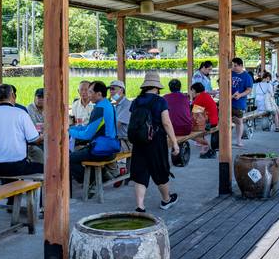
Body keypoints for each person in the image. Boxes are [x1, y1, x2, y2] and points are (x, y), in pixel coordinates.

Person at [128, 71, 180, 212]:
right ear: (157, 87)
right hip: (156, 141)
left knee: (140, 173)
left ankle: (140, 205)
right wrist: (174, 142)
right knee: (160, 170)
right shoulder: (160, 101)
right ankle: (166, 200)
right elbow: (167, 123)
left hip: (139, 142)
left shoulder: (136, 101)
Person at [0, 84, 43, 177]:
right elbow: (34, 139)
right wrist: (43, 136)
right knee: (44, 167)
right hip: (17, 166)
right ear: (13, 96)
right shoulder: (21, 113)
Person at [68, 81, 120, 185]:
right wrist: (75, 129)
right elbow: (90, 128)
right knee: (78, 153)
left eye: (90, 92)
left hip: (101, 150)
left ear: (99, 94)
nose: (88, 94)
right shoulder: (108, 104)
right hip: (112, 147)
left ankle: (94, 180)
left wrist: (69, 131)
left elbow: (87, 135)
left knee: (68, 159)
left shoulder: (99, 108)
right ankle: (101, 175)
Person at [229, 57, 253, 147]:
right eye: (232, 66)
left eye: (235, 66)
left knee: (239, 121)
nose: (233, 67)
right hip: (228, 101)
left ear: (241, 66)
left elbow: (249, 90)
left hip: (239, 103)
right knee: (226, 121)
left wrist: (240, 95)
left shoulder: (247, 76)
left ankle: (239, 140)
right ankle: (226, 140)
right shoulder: (229, 73)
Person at [190, 81, 218, 158]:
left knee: (190, 134)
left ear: (195, 91)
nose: (191, 92)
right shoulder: (205, 95)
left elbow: (194, 115)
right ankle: (205, 147)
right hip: (213, 121)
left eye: (192, 90)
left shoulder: (199, 98)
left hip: (209, 123)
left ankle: (207, 147)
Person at [25, 87, 46, 164]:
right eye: (39, 97)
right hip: (32, 142)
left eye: (43, 97)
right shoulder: (29, 109)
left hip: (45, 139)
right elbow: (33, 127)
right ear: (35, 97)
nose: (40, 100)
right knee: (42, 159)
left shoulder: (48, 108)